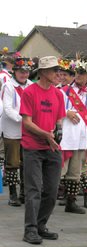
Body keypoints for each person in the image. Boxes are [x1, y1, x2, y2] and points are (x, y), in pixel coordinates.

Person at [20, 56, 66, 244]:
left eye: (58, 70)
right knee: (34, 190)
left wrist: (58, 131)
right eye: (55, 70)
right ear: (43, 73)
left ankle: (40, 225)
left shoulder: (57, 94)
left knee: (52, 191)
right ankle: (29, 230)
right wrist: (46, 135)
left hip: (52, 148)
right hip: (33, 147)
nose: (58, 74)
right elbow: (26, 122)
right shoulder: (30, 92)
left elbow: (59, 119)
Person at [59, 59, 87, 213]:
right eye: (77, 73)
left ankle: (71, 202)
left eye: (83, 73)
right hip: (66, 134)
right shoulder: (64, 90)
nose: (79, 76)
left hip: (82, 135)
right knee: (59, 169)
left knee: (76, 170)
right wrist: (66, 112)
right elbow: (56, 108)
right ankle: (46, 198)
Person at [1, 57, 33, 206]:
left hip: (28, 131)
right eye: (21, 72)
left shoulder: (32, 86)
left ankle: (24, 193)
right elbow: (7, 109)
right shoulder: (8, 86)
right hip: (12, 130)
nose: (24, 75)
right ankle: (13, 194)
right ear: (15, 72)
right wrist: (25, 119)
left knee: (26, 162)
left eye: (26, 72)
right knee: (13, 163)